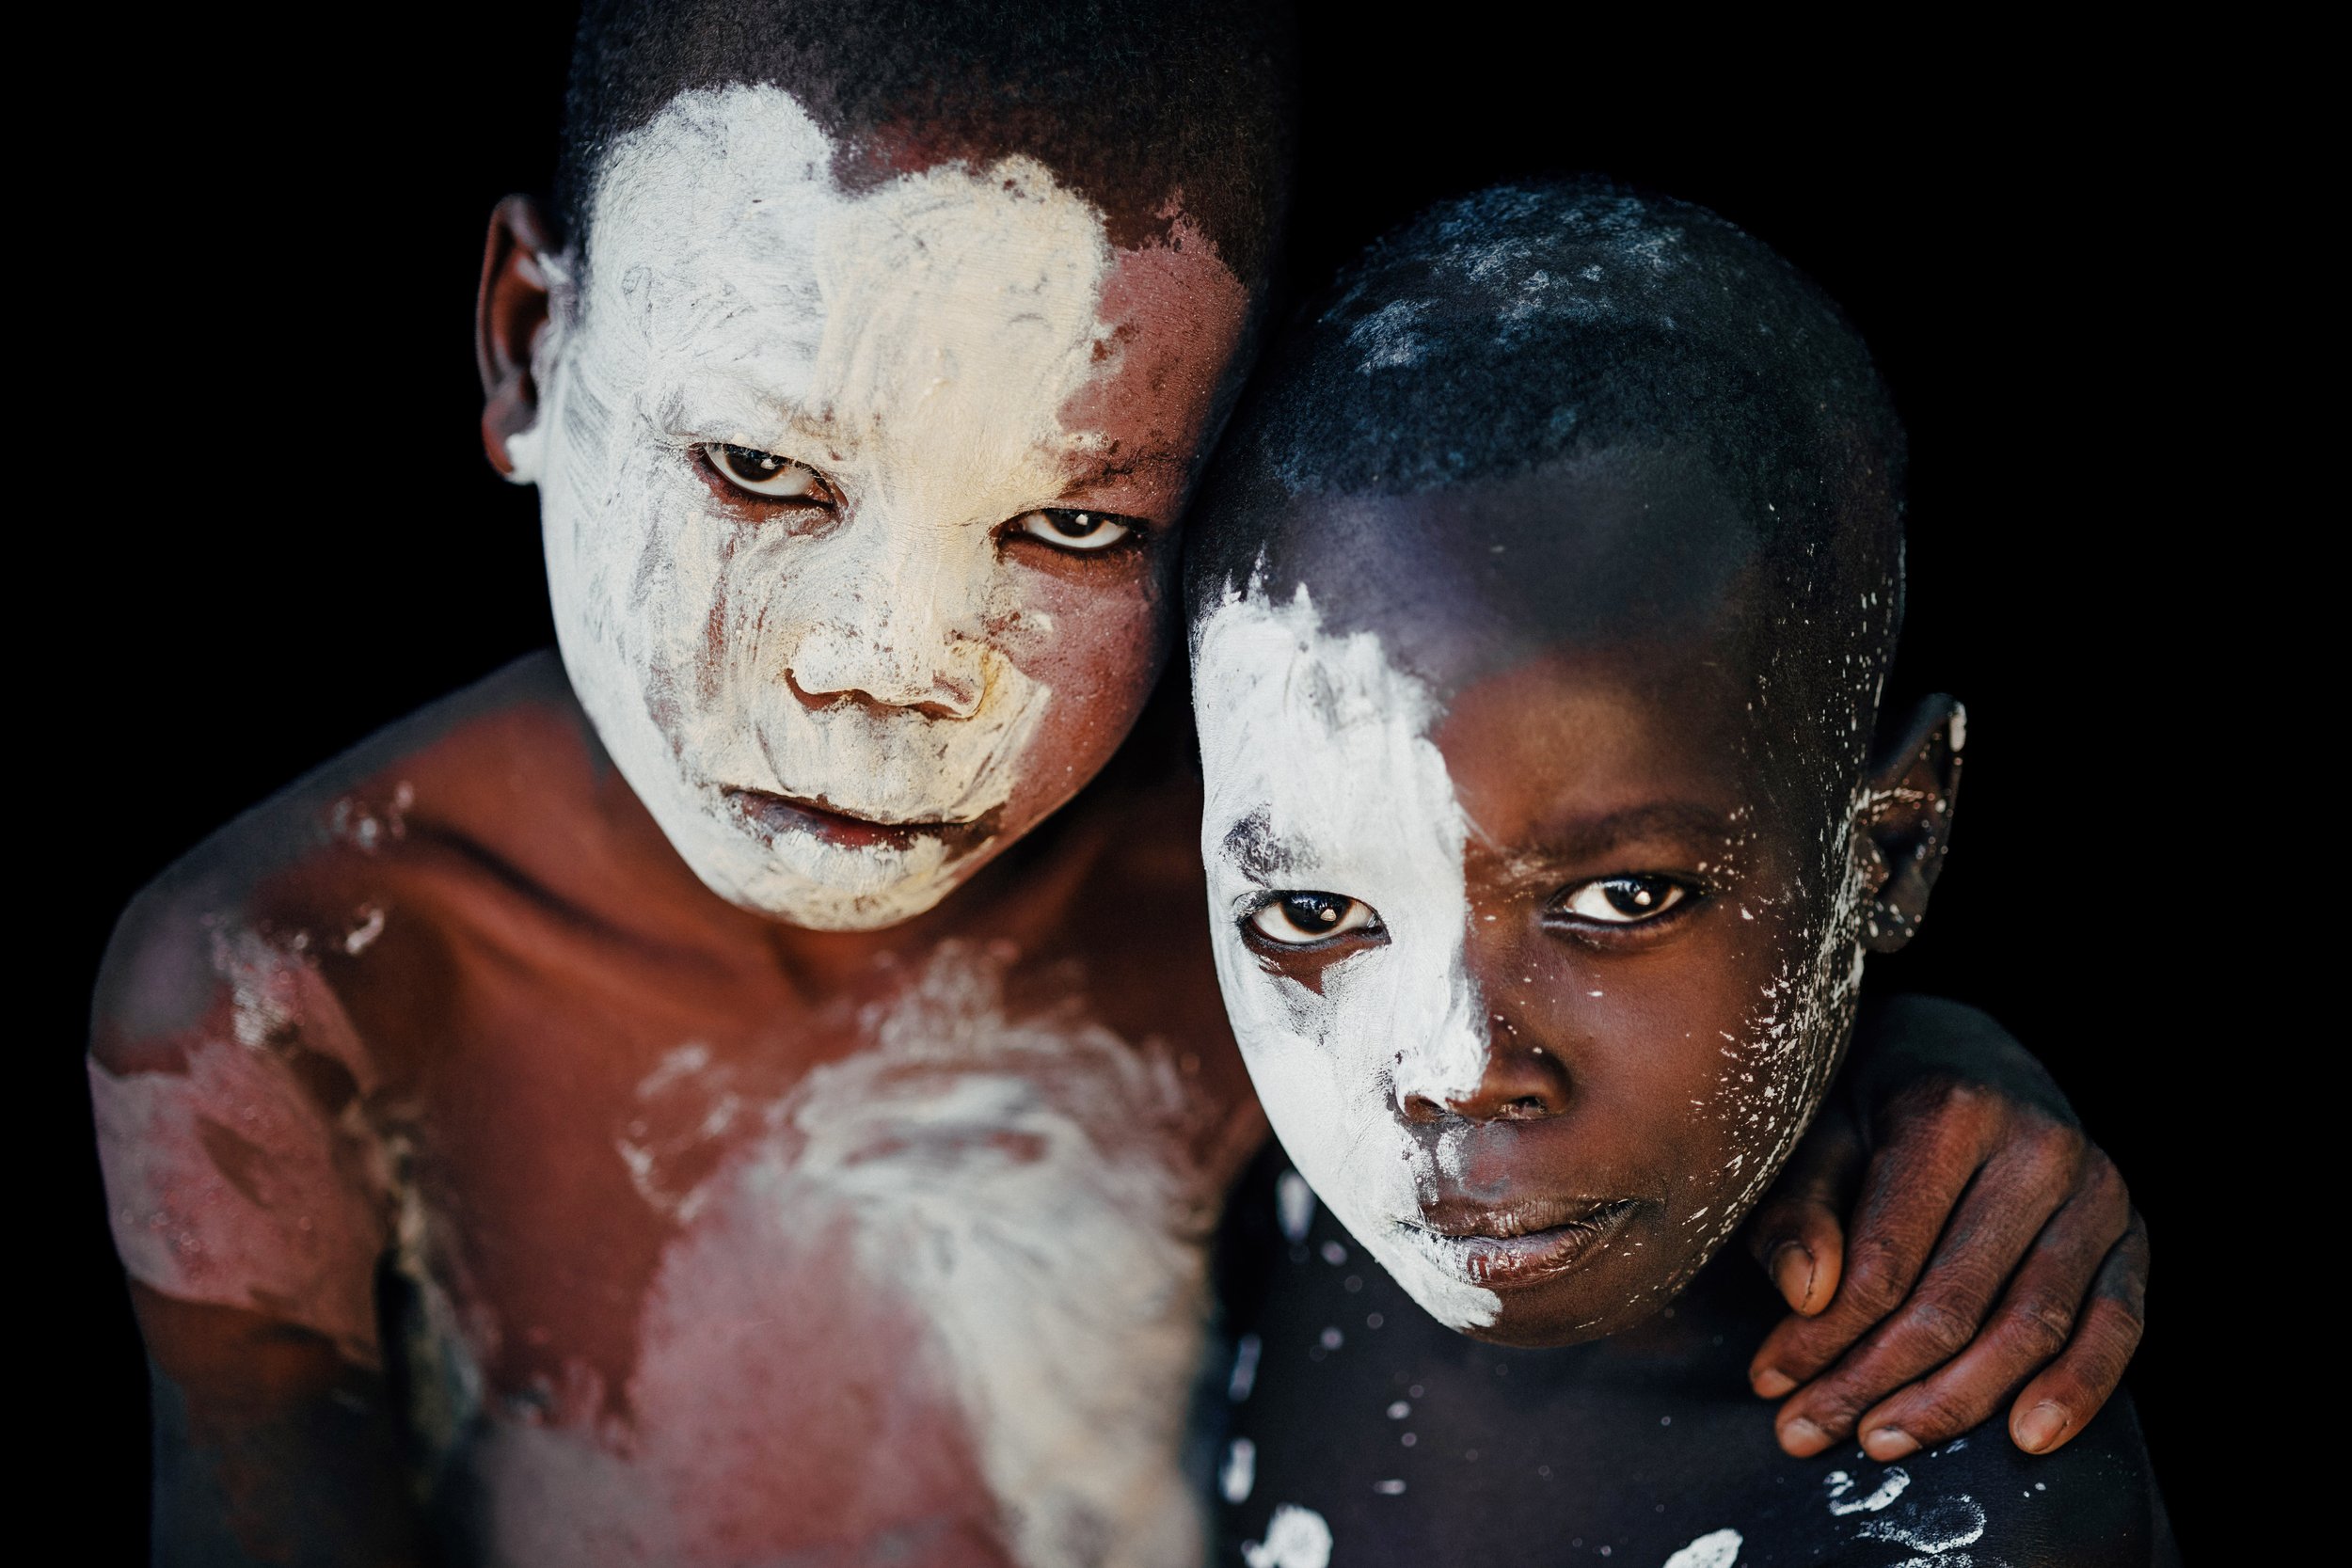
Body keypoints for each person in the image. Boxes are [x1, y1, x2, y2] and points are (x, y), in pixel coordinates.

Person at [88, 5, 2147, 1560]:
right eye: (759, 473)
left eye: (1071, 527)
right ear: (531, 348)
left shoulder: (1275, 887)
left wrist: (1908, 1070)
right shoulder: (289, 995)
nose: (888, 670)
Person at [1184, 181, 2169, 1564]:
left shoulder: (1966, 1521)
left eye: (1620, 899)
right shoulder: (1214, 1224)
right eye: (1314, 913)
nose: (1455, 1066)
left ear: (1889, 841)